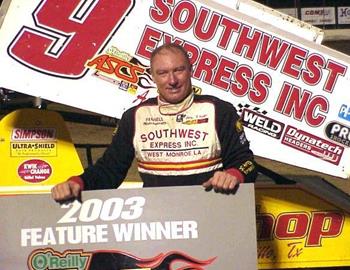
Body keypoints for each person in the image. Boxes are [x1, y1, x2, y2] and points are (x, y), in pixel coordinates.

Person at [51, 43, 257, 202]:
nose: (172, 80)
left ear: (190, 70)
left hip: (211, 212)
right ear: (152, 76)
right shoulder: (135, 116)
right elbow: (109, 171)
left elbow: (246, 163)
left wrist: (233, 174)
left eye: (179, 70)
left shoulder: (220, 111)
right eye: (163, 73)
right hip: (157, 220)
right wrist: (76, 183)